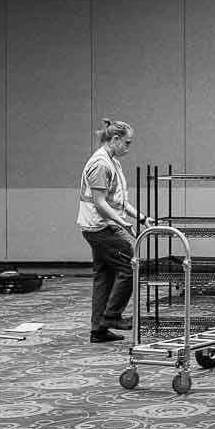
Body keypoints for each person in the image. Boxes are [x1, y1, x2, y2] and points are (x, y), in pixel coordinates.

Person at [78, 118, 145, 343]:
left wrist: (142, 217)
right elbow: (100, 203)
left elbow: (117, 200)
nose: (128, 147)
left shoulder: (112, 161)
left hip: (103, 225)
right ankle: (112, 315)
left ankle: (98, 330)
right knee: (129, 266)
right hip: (100, 227)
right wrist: (123, 223)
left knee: (104, 277)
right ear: (115, 139)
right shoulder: (101, 164)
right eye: (127, 142)